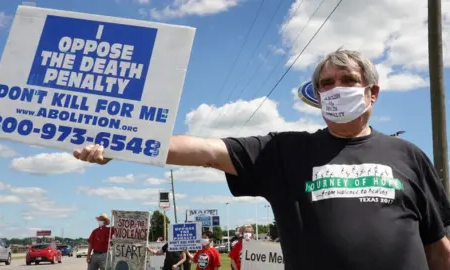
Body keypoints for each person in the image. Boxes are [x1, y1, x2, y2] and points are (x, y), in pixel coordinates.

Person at [74, 49, 450, 270]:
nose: (335, 89)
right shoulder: (284, 152)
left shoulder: (409, 156)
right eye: (325, 83)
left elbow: (437, 245)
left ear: (372, 93)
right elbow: (206, 151)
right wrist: (121, 144)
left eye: (347, 80)